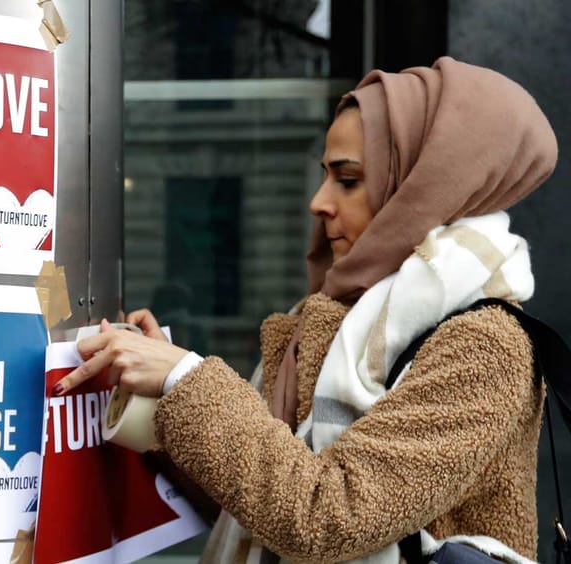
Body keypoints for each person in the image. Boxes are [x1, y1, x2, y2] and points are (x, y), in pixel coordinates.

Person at [53, 57, 558, 563]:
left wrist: (186, 380)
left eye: (349, 179)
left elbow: (329, 518)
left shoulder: (485, 343)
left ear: (422, 189)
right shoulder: (324, 322)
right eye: (325, 176)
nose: (319, 202)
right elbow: (253, 507)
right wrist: (161, 399)